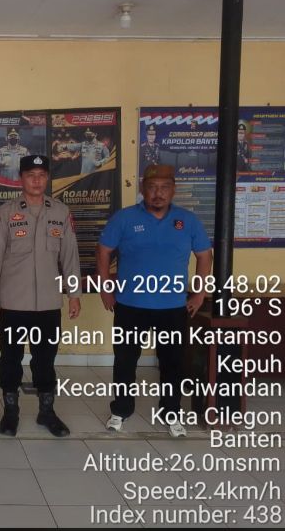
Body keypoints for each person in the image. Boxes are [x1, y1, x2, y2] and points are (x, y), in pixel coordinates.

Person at [96, 164, 212, 437]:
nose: (158, 193)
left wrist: (199, 293)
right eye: (152, 187)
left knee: (172, 363)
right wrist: (105, 288)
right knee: (125, 361)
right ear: (142, 189)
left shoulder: (187, 221)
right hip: (130, 305)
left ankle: (171, 412)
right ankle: (121, 410)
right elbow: (103, 251)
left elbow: (204, 256)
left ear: (173, 190)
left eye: (164, 187)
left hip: (172, 307)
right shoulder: (124, 218)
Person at [0, 154, 81, 437]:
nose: (36, 181)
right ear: (21, 179)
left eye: (41, 175)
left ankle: (46, 411)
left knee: (45, 360)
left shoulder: (60, 212)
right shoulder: (5, 213)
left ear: (47, 178)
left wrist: (74, 294)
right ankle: (10, 412)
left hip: (48, 304)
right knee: (10, 359)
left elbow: (70, 256)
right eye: (30, 175)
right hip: (13, 302)